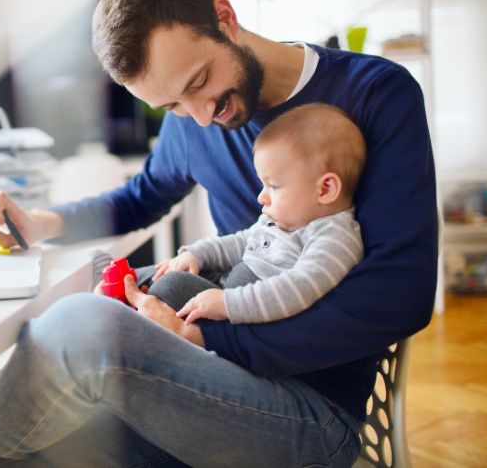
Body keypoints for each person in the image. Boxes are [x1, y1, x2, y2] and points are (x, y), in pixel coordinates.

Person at [0, 0, 437, 467]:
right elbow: (140, 198)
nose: (201, 118)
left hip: (307, 416)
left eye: (199, 82)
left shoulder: (374, 94)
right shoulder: (191, 120)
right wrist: (45, 223)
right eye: (173, 105)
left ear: (225, 19)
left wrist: (209, 337)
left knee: (81, 328)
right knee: (25, 451)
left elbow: (402, 297)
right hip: (204, 382)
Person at [140, 102, 366, 324]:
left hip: (243, 316)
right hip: (225, 287)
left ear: (325, 189)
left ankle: (135, 316)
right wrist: (198, 254)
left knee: (170, 288)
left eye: (274, 187)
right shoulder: (279, 220)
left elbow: (297, 289)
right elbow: (241, 242)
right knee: (170, 274)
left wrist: (229, 304)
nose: (261, 197)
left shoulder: (335, 237)